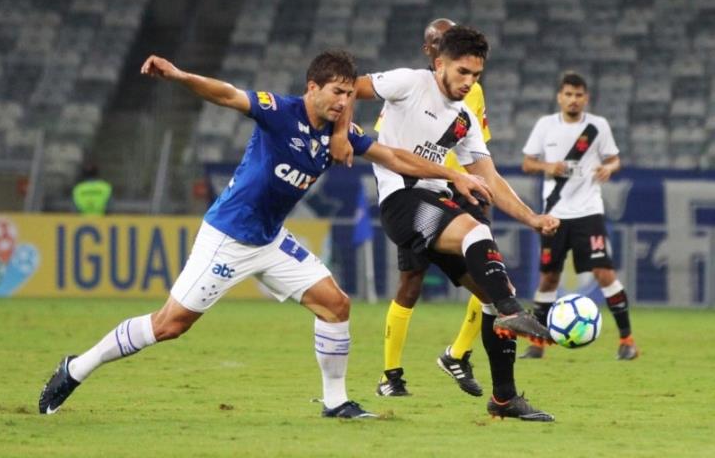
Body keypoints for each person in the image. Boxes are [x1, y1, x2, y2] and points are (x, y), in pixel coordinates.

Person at [38, 50, 492, 419]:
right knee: (169, 325)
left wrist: (453, 177)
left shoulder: (341, 133)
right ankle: (75, 368)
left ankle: (335, 403)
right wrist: (179, 75)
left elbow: (396, 158)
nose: (342, 102)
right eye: (336, 93)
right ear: (312, 88)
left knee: (335, 304)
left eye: (348, 94)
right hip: (228, 237)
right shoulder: (280, 112)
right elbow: (226, 94)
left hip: (270, 240)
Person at [334, 26, 560, 421]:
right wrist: (341, 133)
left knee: (494, 289)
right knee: (476, 232)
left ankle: (504, 399)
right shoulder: (410, 82)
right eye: (462, 72)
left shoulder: (464, 119)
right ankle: (509, 310)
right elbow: (349, 86)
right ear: (440, 64)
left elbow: (490, 178)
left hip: (436, 200)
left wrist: (532, 218)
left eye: (475, 75)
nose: (468, 82)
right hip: (402, 201)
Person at [372, 18, 493, 398]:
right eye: (439, 43)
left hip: (462, 192)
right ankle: (390, 374)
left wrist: (482, 187)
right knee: (411, 282)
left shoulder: (471, 89)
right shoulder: (408, 88)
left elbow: (478, 148)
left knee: (488, 269)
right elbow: (388, 146)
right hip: (418, 193)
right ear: (432, 53)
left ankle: (459, 353)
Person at [520, 71, 638, 360]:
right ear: (560, 97)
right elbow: (527, 163)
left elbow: (614, 159)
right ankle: (538, 344)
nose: (573, 100)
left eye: (579, 95)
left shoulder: (598, 126)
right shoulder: (545, 125)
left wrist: (609, 168)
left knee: (604, 272)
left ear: (586, 98)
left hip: (588, 212)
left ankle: (627, 341)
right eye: (568, 94)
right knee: (548, 277)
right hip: (555, 214)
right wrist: (549, 167)